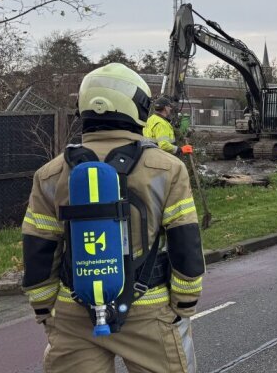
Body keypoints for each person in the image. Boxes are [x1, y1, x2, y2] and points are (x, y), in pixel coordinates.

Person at [21, 63, 205, 373]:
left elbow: (38, 247)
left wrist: (45, 308)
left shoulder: (50, 173)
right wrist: (184, 303)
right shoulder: (166, 168)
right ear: (138, 107)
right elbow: (185, 243)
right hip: (147, 311)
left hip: (73, 314)